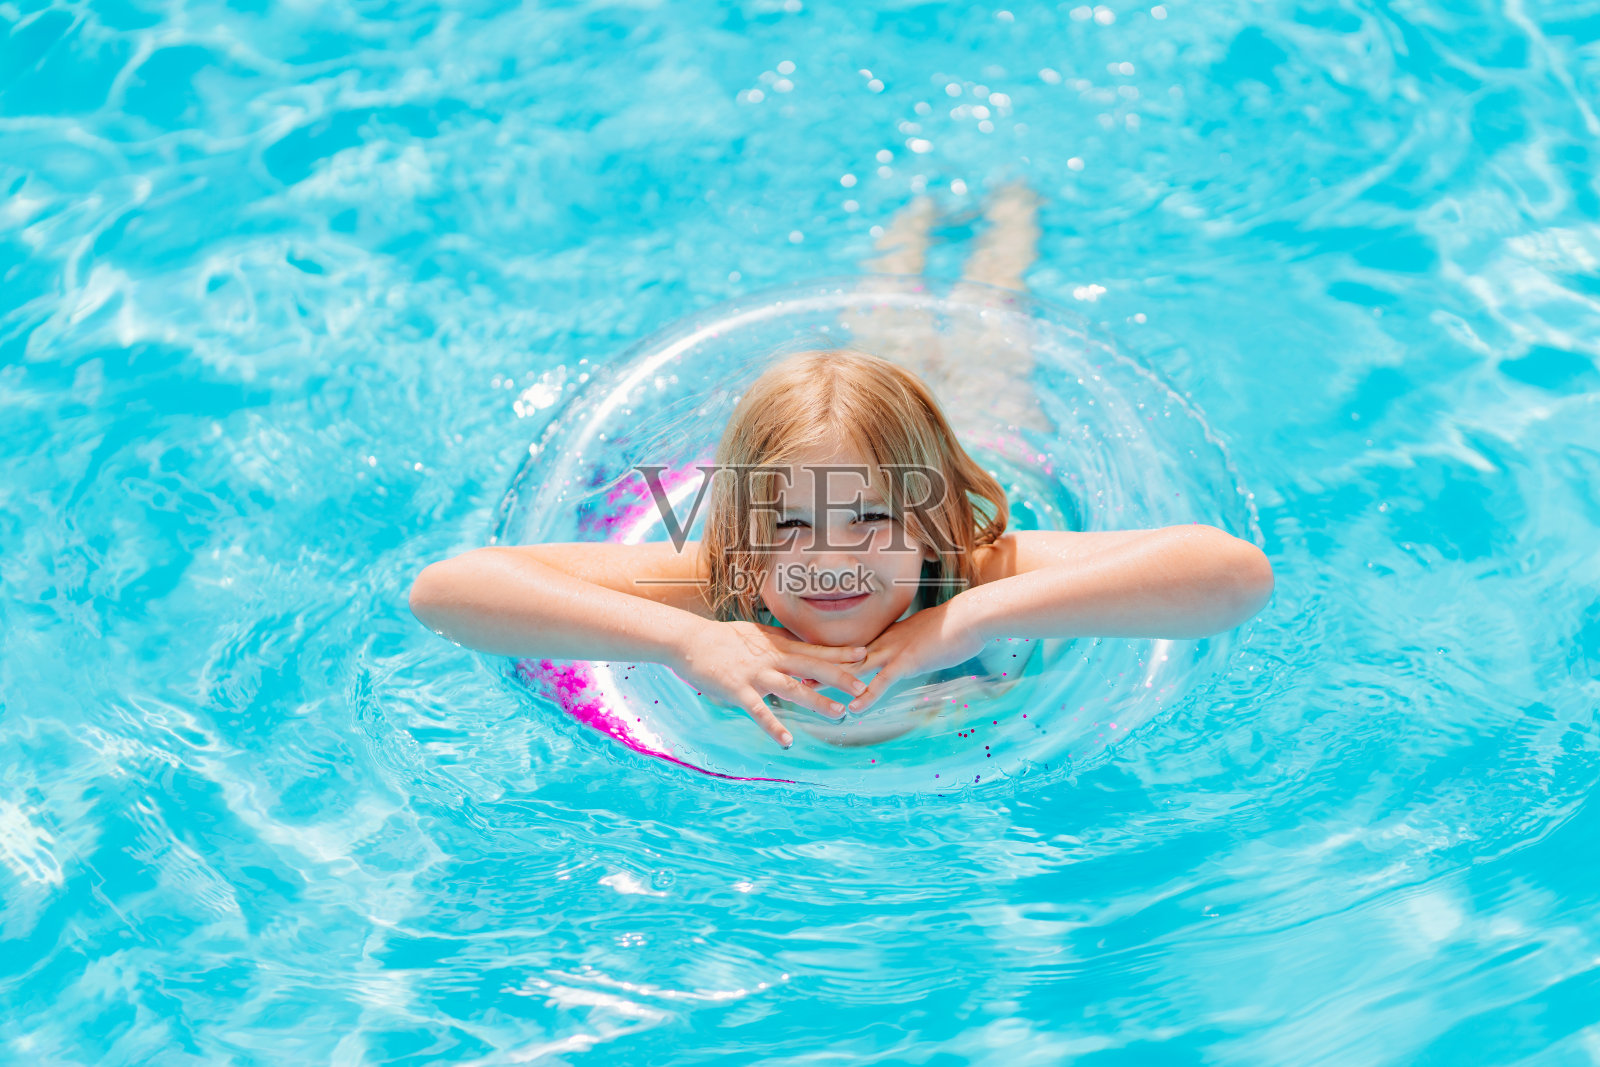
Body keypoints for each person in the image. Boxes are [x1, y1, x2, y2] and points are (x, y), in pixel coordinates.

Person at [408, 188, 1275, 750]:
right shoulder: (719, 583)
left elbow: (1232, 576)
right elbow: (447, 591)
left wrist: (970, 619)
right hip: (881, 464)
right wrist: (687, 637)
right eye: (790, 525)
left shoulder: (967, 565)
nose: (835, 558)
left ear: (930, 521)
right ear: (745, 531)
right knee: (886, 324)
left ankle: (1010, 229)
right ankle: (907, 233)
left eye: (869, 520)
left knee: (987, 342)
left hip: (997, 449)